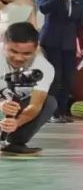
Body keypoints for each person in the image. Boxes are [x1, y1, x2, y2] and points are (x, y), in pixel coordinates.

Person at [37, 0, 83, 124]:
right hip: (52, 41)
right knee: (55, 77)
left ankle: (61, 112)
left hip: (69, 43)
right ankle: (50, 113)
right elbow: (44, 9)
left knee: (68, 78)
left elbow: (79, 24)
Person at [0, 22, 56, 155]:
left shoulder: (44, 68)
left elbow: (35, 106)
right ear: (3, 44)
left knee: (50, 102)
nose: (18, 58)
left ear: (36, 49)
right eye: (13, 51)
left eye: (26, 53)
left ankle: (14, 141)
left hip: (17, 108)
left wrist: (16, 122)